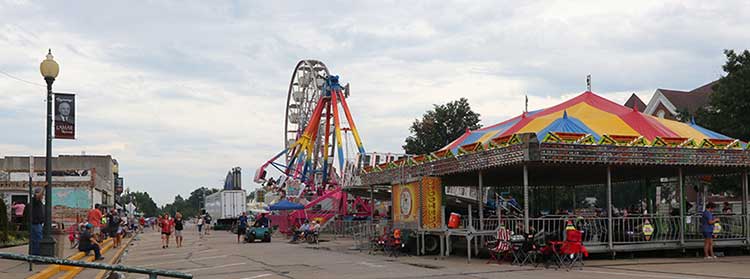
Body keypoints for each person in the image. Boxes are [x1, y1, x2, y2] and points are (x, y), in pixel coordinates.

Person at [30, 188, 45, 255]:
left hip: (38, 224)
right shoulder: (35, 200)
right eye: (42, 194)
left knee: (35, 240)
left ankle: (34, 255)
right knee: (38, 241)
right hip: (35, 224)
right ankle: (36, 256)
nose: (42, 196)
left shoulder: (39, 202)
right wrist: (44, 187)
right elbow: (38, 196)